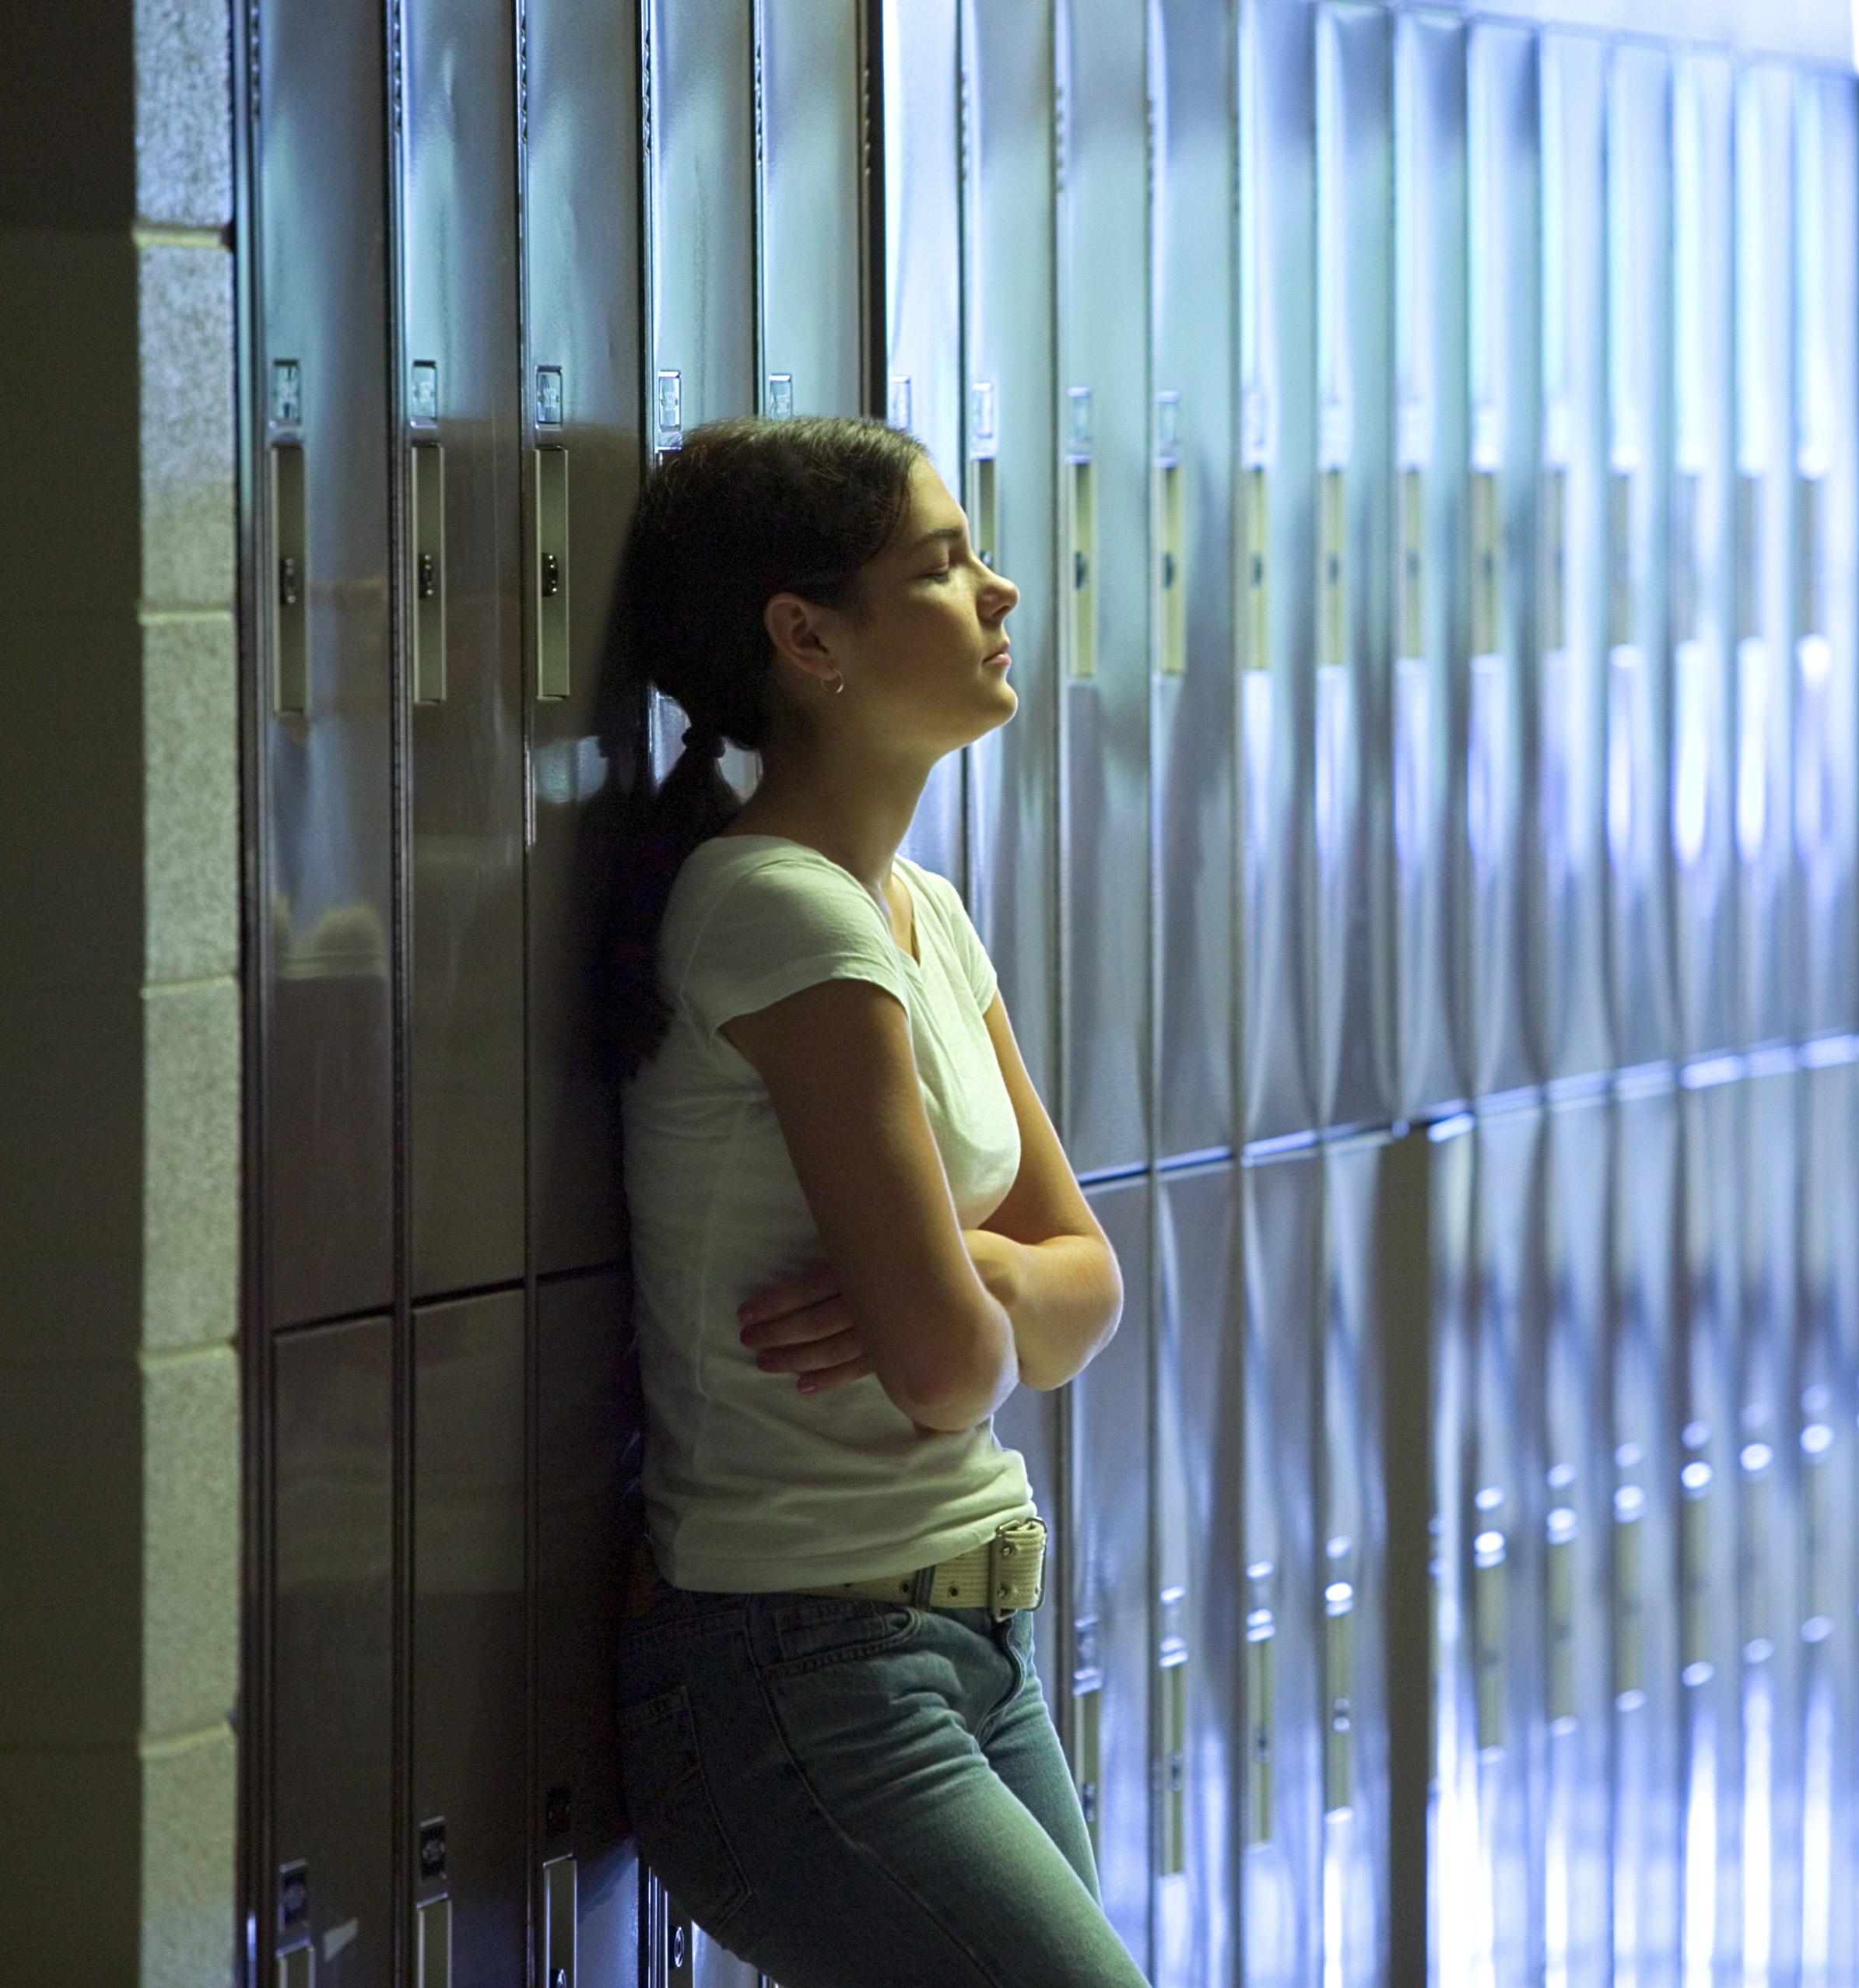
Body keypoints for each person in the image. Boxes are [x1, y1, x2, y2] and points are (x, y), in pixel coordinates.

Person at [599, 415, 1145, 1986]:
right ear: (808, 638)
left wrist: (965, 1273)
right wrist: (971, 1299)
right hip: (804, 1669)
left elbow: (1085, 1283)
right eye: (943, 564)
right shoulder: (780, 915)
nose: (1002, 590)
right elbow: (952, 1369)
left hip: (974, 1637)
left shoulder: (921, 912)